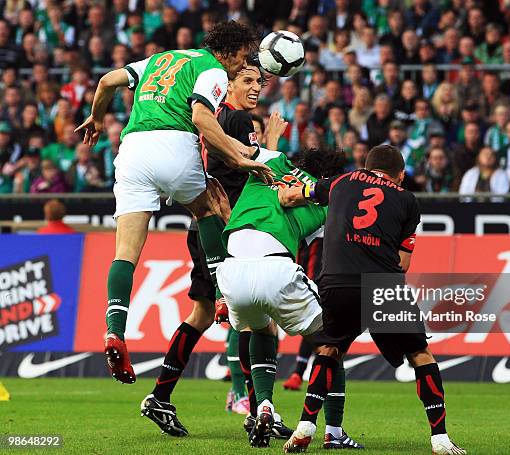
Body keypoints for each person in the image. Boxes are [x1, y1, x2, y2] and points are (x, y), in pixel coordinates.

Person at [74, 21, 273, 385]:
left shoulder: (157, 59)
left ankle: (114, 330)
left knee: (125, 252)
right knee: (208, 207)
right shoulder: (211, 68)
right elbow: (200, 115)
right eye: (243, 57)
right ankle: (222, 296)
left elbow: (105, 82)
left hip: (132, 151)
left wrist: (97, 117)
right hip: (174, 144)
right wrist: (240, 160)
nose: (242, 65)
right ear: (228, 51)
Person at [278, 145, 465, 455]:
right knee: (420, 354)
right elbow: (403, 264)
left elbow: (295, 195)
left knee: (328, 349)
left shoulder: (340, 182)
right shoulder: (407, 199)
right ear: (400, 176)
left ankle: (306, 425)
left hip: (336, 281)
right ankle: (440, 439)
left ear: (365, 167)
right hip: (382, 284)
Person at [140, 64, 291, 438]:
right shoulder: (239, 122)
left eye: (260, 81)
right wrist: (271, 143)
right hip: (230, 231)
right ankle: (259, 410)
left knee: (204, 313)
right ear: (229, 84)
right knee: (256, 320)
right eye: (248, 80)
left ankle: (160, 396)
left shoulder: (219, 117)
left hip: (207, 227)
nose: (256, 87)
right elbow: (264, 176)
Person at [216, 147, 362, 449]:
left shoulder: (269, 162)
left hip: (230, 270)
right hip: (275, 266)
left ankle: (264, 406)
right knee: (330, 345)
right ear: (326, 177)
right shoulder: (325, 203)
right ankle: (334, 431)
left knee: (260, 330)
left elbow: (246, 148)